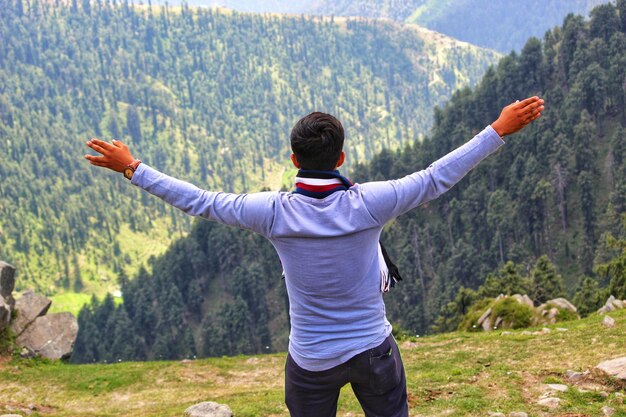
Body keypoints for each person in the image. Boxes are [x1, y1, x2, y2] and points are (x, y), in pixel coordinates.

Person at [84, 96, 544, 417]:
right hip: (373, 352)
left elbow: (200, 200)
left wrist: (133, 167)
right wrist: (498, 130)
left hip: (310, 362)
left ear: (292, 158)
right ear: (341, 158)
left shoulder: (272, 213)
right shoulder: (369, 202)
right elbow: (434, 178)